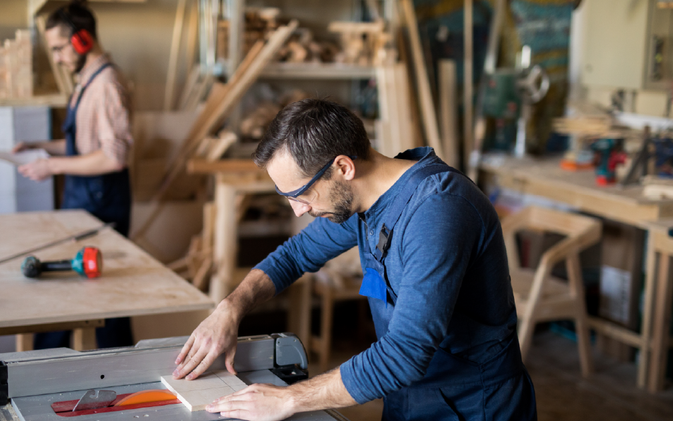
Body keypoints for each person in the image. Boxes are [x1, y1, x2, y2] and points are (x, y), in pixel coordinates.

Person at [171, 99, 537, 421]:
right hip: (407, 397)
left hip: (473, 405)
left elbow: (404, 354)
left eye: (299, 194)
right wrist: (231, 307)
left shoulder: (437, 211)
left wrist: (290, 399)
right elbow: (294, 255)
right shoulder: (364, 202)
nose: (297, 211)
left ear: (343, 167)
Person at [15, 0, 133, 350]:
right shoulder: (87, 81)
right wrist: (39, 147)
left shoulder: (107, 86)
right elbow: (85, 146)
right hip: (84, 197)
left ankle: (121, 369)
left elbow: (114, 157)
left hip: (102, 201)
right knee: (74, 290)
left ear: (83, 40)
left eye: (59, 48)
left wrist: (52, 166)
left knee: (106, 298)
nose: (58, 57)